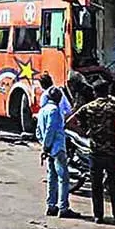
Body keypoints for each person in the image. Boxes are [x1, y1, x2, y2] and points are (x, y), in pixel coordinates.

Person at [76, 80, 115, 225]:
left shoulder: (88, 107)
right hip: (112, 151)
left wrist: (86, 130)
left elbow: (74, 119)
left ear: (94, 92)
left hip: (95, 151)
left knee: (96, 185)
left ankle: (98, 216)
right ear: (108, 90)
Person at [36, 87, 81, 219]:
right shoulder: (55, 111)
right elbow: (51, 130)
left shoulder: (43, 110)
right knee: (63, 178)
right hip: (57, 148)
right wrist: (47, 146)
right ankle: (63, 207)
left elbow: (39, 131)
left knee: (52, 178)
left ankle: (51, 205)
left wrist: (44, 147)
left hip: (49, 149)